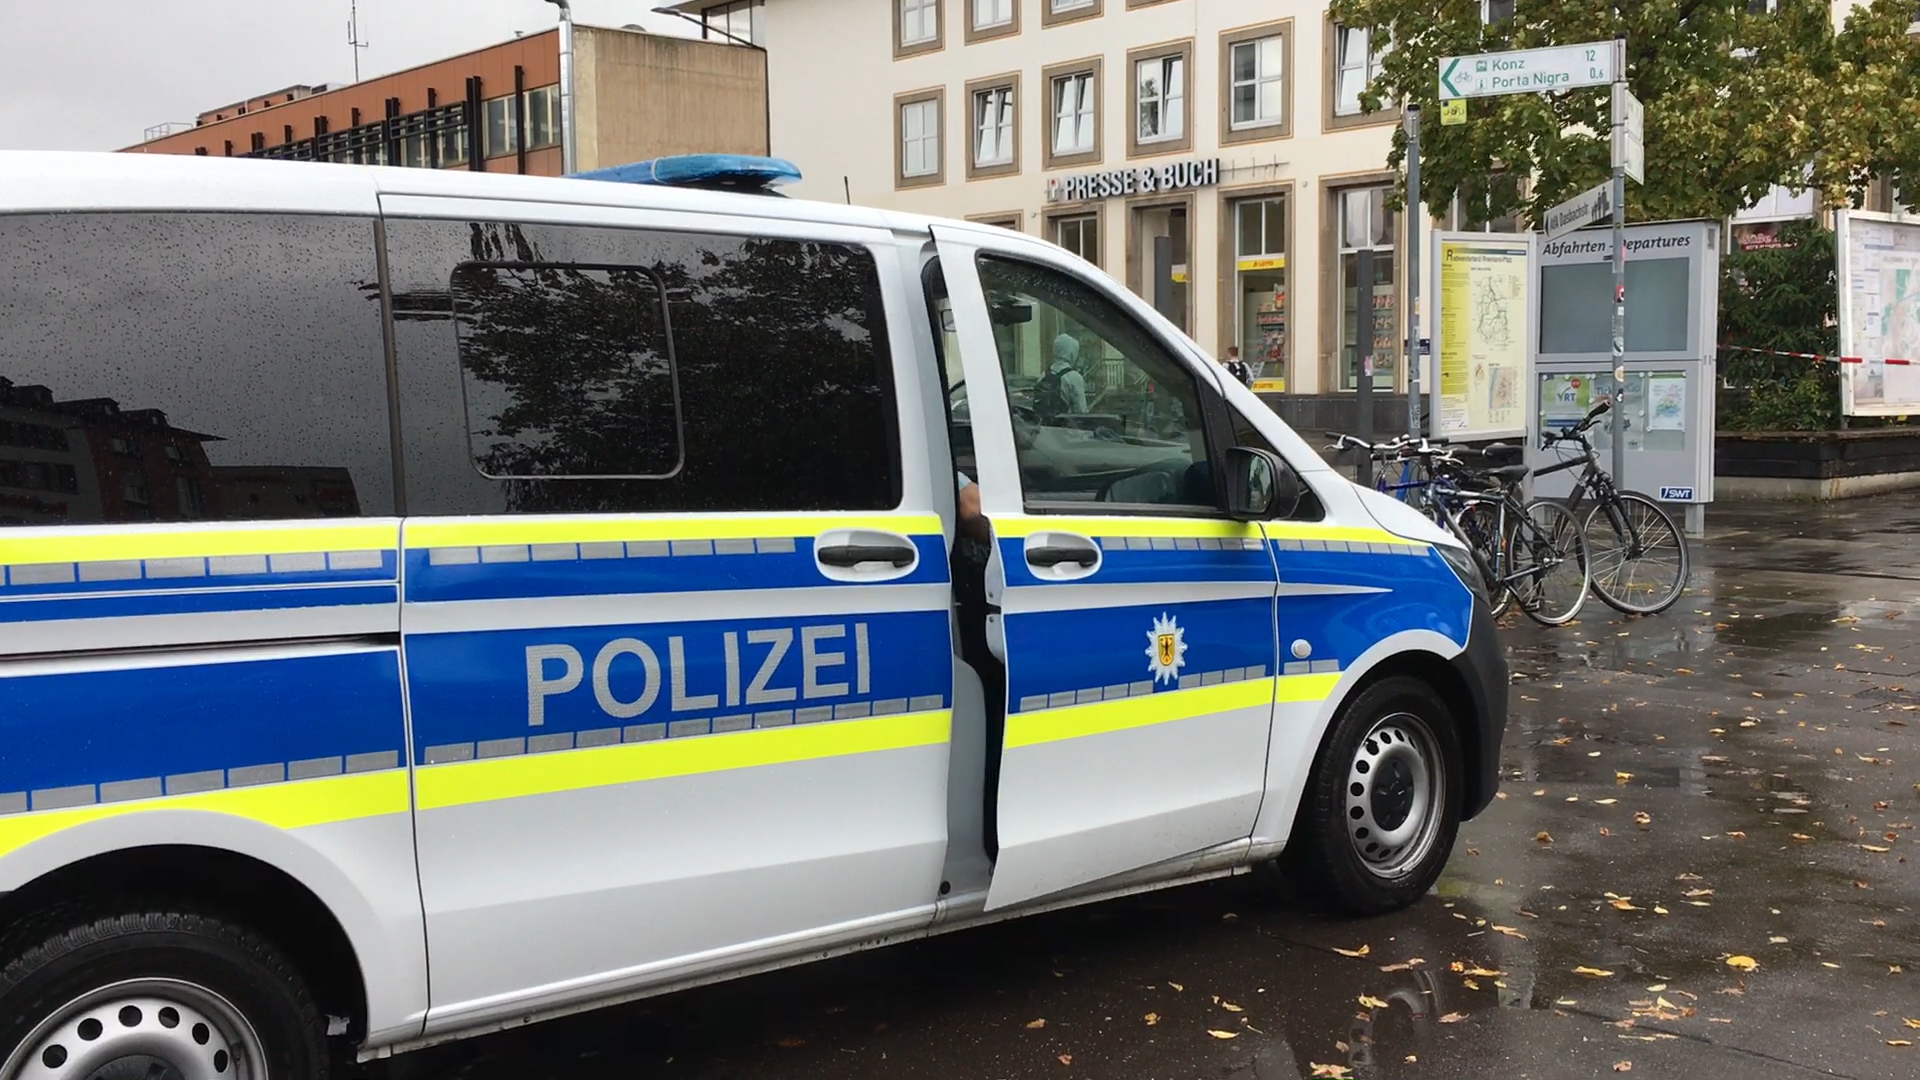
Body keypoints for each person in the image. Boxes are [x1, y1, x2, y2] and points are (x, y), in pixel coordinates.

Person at [1034, 334, 1090, 419]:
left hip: (1044, 426)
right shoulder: (1074, 377)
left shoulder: (1043, 375)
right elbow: (1081, 412)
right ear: (1072, 353)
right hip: (1064, 426)